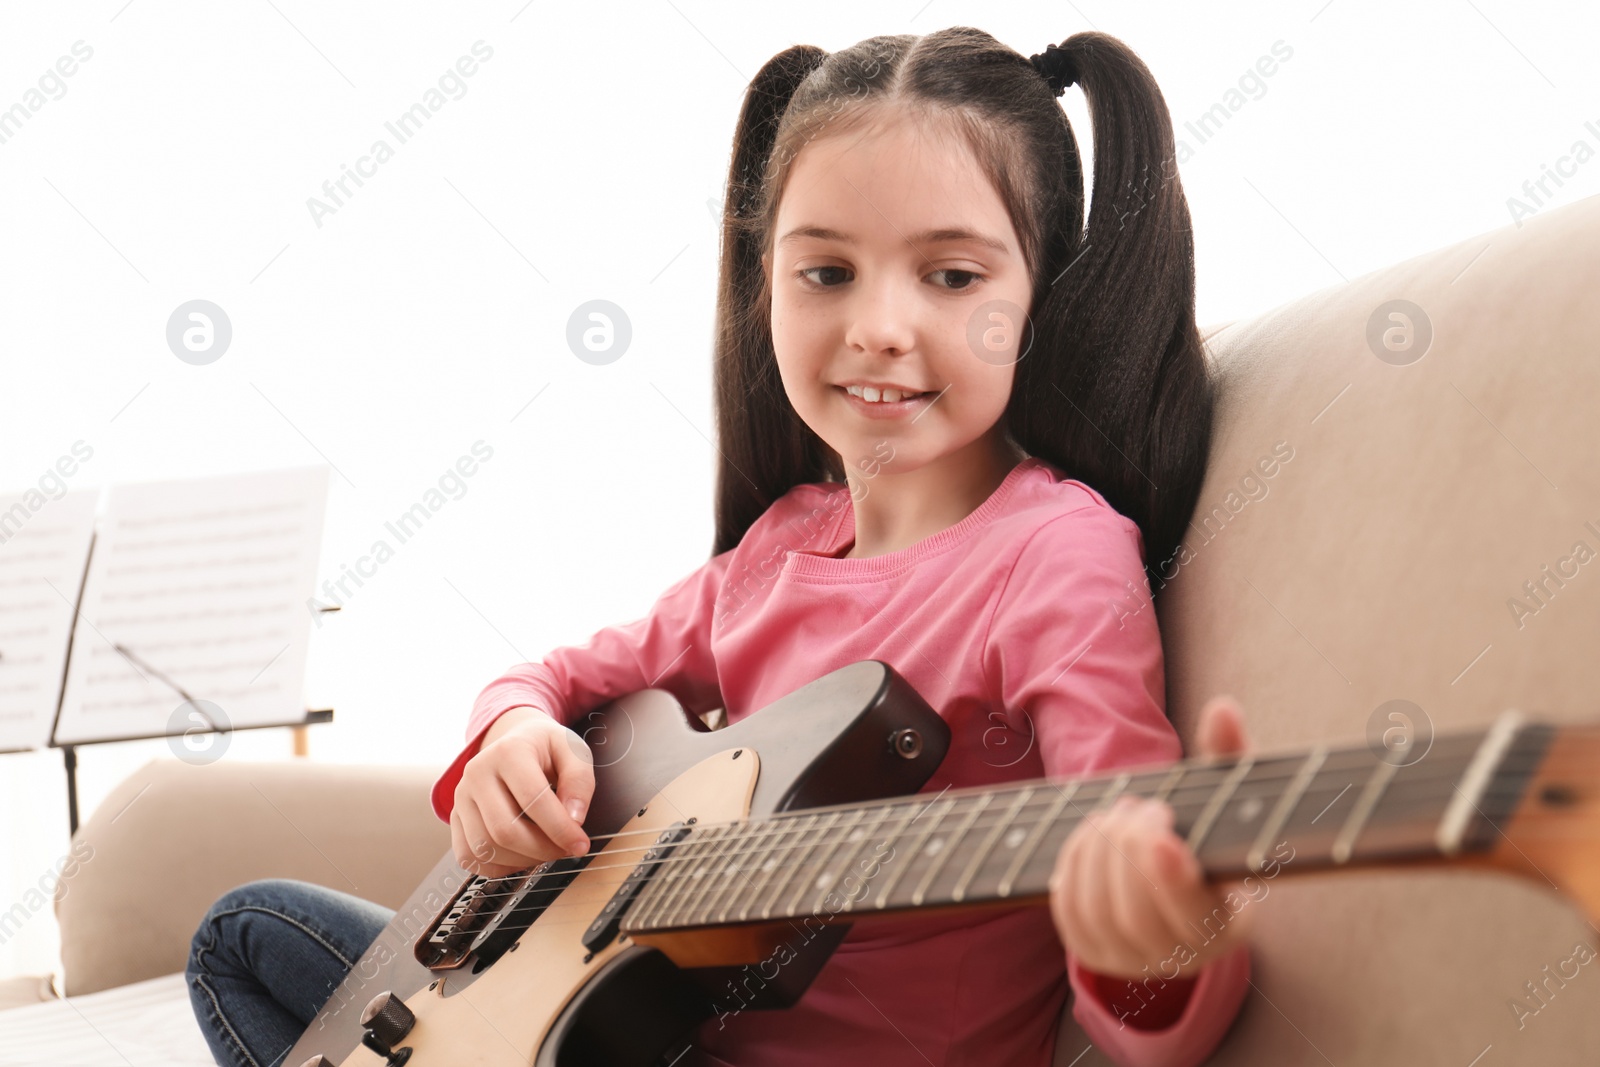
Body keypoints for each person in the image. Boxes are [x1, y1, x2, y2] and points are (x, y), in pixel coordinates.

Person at [188, 26, 1256, 1067]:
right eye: (826, 272)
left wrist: (1153, 945)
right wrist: (510, 734)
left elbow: (1138, 901)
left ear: (1044, 296)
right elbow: (553, 675)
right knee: (243, 932)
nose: (878, 324)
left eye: (952, 276)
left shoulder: (1057, 552)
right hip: (622, 1028)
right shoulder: (779, 541)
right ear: (764, 285)